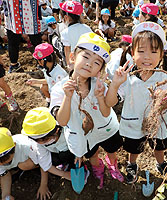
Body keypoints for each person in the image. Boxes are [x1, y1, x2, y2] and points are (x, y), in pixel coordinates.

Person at [50, 32, 124, 189]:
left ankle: (113, 164)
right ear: (72, 57)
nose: (89, 64)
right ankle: (98, 168)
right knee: (92, 153)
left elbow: (106, 111)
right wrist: (68, 98)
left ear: (100, 70)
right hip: (84, 134)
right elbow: (61, 121)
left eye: (97, 62)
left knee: (111, 148)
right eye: (86, 57)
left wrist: (103, 94)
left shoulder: (99, 85)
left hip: (105, 128)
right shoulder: (59, 89)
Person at [105, 22, 167, 184]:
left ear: (162, 54)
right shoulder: (127, 79)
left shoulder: (165, 78)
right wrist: (115, 84)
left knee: (159, 145)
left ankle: (161, 163)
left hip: (158, 123)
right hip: (134, 122)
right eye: (141, 51)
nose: (147, 57)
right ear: (132, 52)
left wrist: (163, 100)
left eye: (153, 51)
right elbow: (110, 102)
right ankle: (132, 163)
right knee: (134, 146)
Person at [21, 107, 75, 199]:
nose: (41, 143)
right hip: (57, 154)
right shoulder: (38, 143)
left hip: (71, 150)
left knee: (67, 154)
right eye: (38, 141)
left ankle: (71, 162)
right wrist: (64, 174)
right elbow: (45, 164)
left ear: (56, 130)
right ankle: (66, 164)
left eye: (45, 139)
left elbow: (79, 142)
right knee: (53, 160)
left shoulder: (67, 130)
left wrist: (79, 155)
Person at [0, 127, 47, 200]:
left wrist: (43, 185)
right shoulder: (2, 159)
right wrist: (5, 195)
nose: (1, 164)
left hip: (33, 158)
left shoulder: (26, 146)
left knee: (23, 166)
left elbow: (43, 162)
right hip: (18, 162)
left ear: (14, 146)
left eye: (4, 159)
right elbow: (4, 175)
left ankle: (21, 169)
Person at [2, 0, 42, 73]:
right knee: (13, 39)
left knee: (35, 38)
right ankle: (14, 64)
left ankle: (42, 62)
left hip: (28, 8)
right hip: (13, 10)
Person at [60, 1, 92, 66]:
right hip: (88, 61)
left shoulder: (65, 33)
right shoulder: (87, 28)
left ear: (66, 17)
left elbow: (67, 52)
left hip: (75, 62)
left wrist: (69, 65)